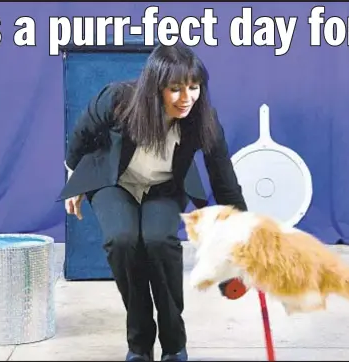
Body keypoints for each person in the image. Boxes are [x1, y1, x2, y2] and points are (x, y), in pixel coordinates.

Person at [58, 43, 248, 361]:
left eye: (194, 86)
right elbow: (80, 135)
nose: (186, 97)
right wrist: (73, 178)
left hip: (163, 187)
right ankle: (139, 344)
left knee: (159, 242)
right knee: (122, 239)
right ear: (155, 87)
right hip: (113, 181)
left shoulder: (203, 119)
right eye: (175, 89)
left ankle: (174, 345)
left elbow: (224, 182)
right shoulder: (118, 99)